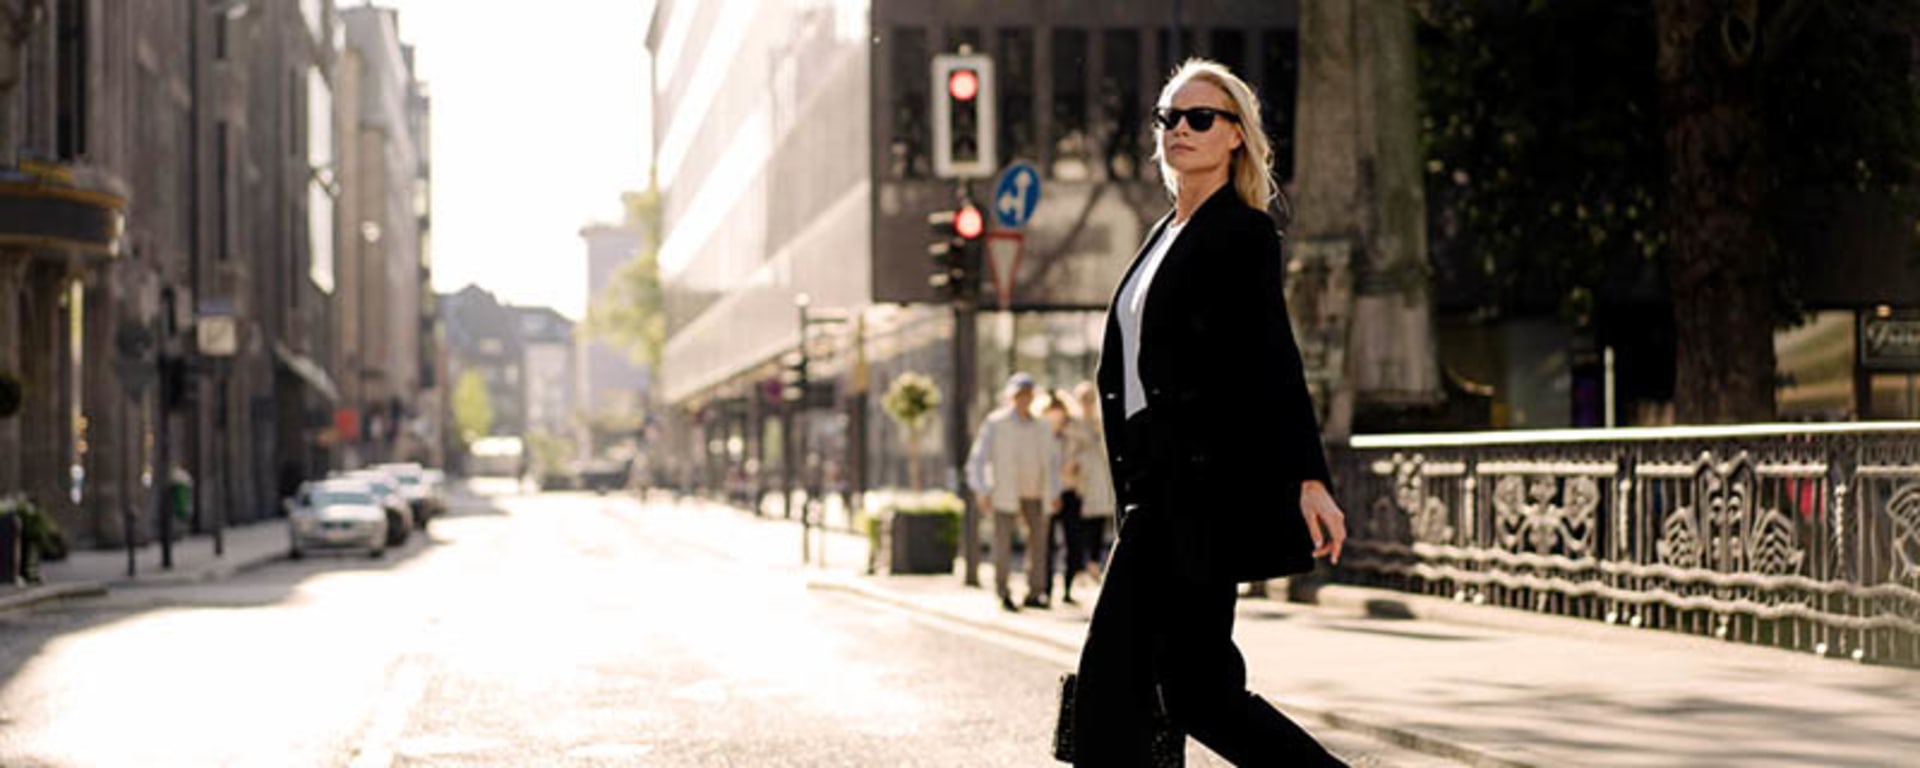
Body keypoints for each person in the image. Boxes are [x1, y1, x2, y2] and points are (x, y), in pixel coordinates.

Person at [1067, 59, 1350, 766]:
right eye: (1169, 118)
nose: (1180, 130)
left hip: (1197, 491)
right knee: (1195, 690)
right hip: (1154, 492)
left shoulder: (1240, 233)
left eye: (1200, 118)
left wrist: (1309, 478)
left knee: (1115, 684)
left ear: (1235, 138)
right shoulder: (1164, 233)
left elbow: (1273, 362)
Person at [965, 372, 1061, 612]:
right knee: (1003, 543)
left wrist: (1056, 491)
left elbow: (1052, 461)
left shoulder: (1042, 426)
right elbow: (978, 459)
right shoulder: (996, 423)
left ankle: (1035, 592)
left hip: (1036, 491)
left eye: (1028, 394)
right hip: (1005, 491)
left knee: (1038, 544)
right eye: (1019, 395)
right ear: (1011, 397)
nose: (1024, 399)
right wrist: (982, 489)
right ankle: (1003, 591)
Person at [1042, 392, 1087, 605]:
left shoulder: (1074, 433)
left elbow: (1086, 452)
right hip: (1048, 494)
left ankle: (1068, 588)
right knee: (1047, 544)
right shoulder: (1040, 434)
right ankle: (1047, 589)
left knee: (1073, 543)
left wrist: (1076, 465)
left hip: (1070, 492)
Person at [1071, 381, 1117, 582]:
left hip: (1099, 483)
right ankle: (1079, 567)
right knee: (1079, 528)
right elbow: (1069, 454)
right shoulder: (1073, 424)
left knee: (1097, 525)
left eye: (1090, 399)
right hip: (1079, 483)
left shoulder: (1102, 421)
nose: (1087, 403)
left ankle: (1093, 563)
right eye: (1084, 399)